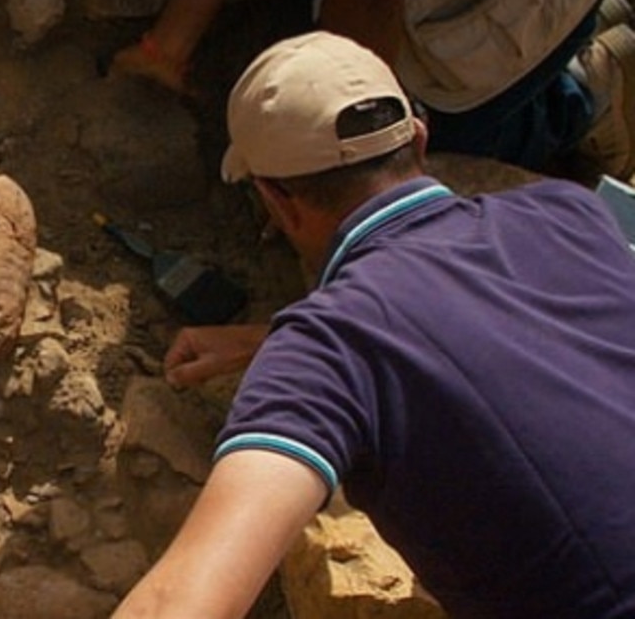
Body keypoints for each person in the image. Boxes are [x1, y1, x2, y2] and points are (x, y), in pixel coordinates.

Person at [114, 31, 635, 618]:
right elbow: (500, 341)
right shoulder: (570, 214)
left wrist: (298, 346)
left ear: (276, 202)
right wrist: (274, 337)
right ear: (418, 137)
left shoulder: (329, 350)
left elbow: (180, 603)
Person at [109, 0, 635, 180]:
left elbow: (368, 2)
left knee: (428, 148)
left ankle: (591, 88)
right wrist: (167, 49)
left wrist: (334, 175)